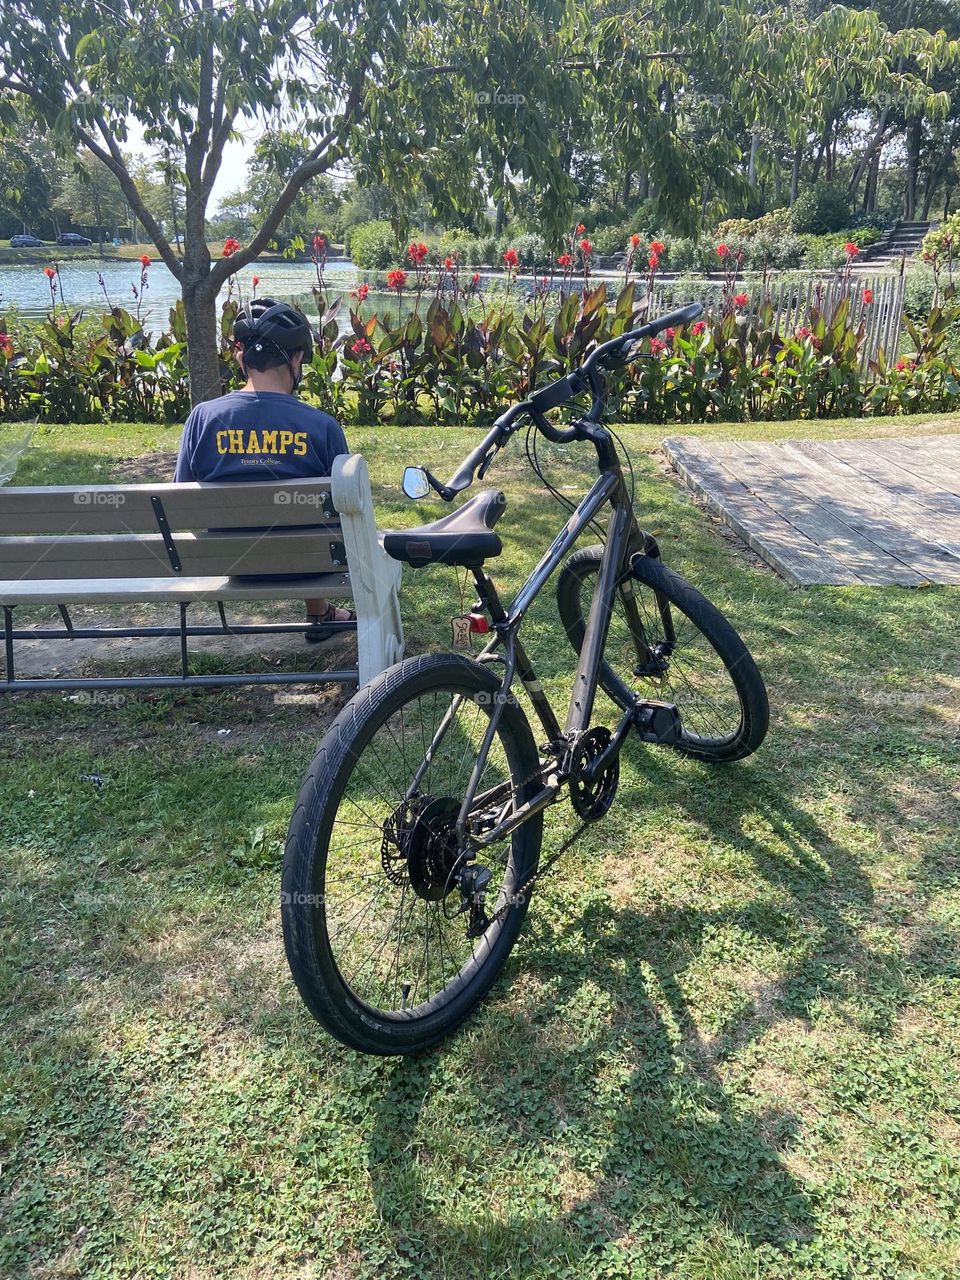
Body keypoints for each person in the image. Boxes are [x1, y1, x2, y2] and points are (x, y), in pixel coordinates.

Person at [174, 298, 355, 641]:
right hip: (308, 565)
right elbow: (346, 513)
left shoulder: (202, 419)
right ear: (297, 358)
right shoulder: (322, 427)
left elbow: (180, 499)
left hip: (230, 564)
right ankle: (319, 613)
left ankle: (321, 612)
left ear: (241, 356)